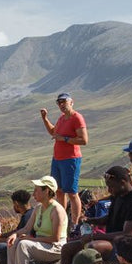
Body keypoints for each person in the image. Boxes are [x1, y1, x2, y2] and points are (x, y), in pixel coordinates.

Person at [60, 166, 132, 264]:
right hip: (113, 239)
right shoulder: (118, 196)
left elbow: (126, 234)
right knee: (67, 248)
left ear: (122, 182)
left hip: (127, 245)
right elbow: (109, 218)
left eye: (111, 186)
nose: (109, 190)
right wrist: (89, 220)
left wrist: (93, 237)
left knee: (92, 247)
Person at [1, 176, 67, 264]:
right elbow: (27, 228)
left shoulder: (57, 210)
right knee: (13, 242)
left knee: (23, 244)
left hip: (55, 247)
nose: (33, 194)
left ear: (46, 191)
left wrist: (32, 239)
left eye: (36, 190)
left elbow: (55, 238)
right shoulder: (38, 208)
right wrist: (14, 234)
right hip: (41, 243)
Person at [39, 92, 87, 228]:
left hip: (71, 159)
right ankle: (63, 219)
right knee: (59, 191)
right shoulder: (62, 118)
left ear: (71, 102)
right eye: (59, 102)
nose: (61, 105)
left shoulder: (77, 118)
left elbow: (84, 140)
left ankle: (75, 224)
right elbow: (54, 132)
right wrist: (45, 118)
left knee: (72, 192)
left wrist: (65, 139)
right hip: (58, 159)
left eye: (63, 101)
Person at [0, 189, 33, 264]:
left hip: (24, 248)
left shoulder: (26, 217)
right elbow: (17, 231)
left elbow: (19, 239)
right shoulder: (30, 213)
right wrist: (1, 235)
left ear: (16, 204)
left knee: (0, 247)